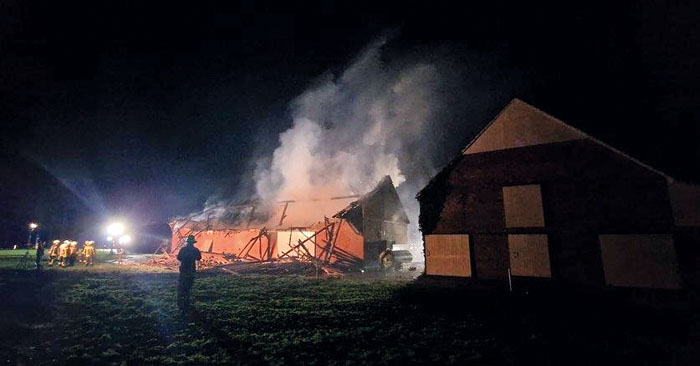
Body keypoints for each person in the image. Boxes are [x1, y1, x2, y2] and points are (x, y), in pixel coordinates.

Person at [176, 235, 202, 316]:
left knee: (182, 286)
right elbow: (199, 258)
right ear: (193, 242)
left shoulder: (183, 249)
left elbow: (179, 258)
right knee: (188, 286)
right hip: (191, 270)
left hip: (184, 270)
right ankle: (186, 299)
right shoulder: (195, 250)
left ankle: (181, 302)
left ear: (187, 242)